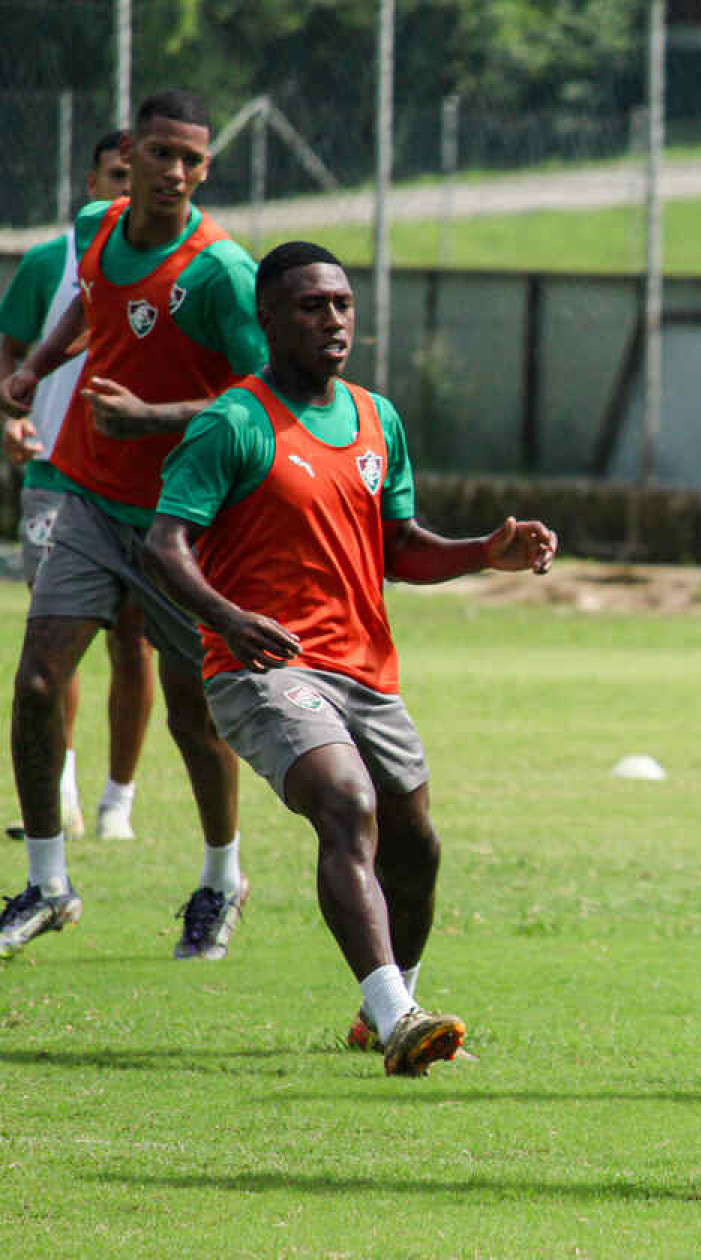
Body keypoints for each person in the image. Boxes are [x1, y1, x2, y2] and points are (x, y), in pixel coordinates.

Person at [144, 241, 559, 1076]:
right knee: (344, 801)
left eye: (341, 304)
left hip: (364, 670)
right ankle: (401, 1019)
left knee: (417, 849)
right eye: (311, 306)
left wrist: (484, 552)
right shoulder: (233, 422)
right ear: (267, 320)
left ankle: (389, 1011)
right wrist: (229, 619)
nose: (332, 320)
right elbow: (164, 543)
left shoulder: (377, 418)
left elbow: (398, 546)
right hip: (264, 668)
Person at [0, 89, 265, 964]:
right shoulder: (101, 226)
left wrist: (153, 418)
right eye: (160, 153)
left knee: (193, 714)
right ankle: (47, 883)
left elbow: (266, 398)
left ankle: (222, 878)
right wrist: (37, 367)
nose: (175, 171)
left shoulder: (222, 272)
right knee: (38, 684)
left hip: (180, 521)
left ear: (205, 169)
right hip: (85, 495)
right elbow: (89, 301)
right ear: (132, 154)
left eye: (192, 159)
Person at [1, 128, 156, 846]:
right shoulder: (49, 263)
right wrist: (13, 415)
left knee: (134, 643)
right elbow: (12, 354)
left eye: (137, 175)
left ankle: (117, 800)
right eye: (118, 175)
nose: (129, 188)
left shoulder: (182, 268)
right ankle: (57, 787)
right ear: (92, 186)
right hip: (55, 477)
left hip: (139, 484)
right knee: (54, 636)